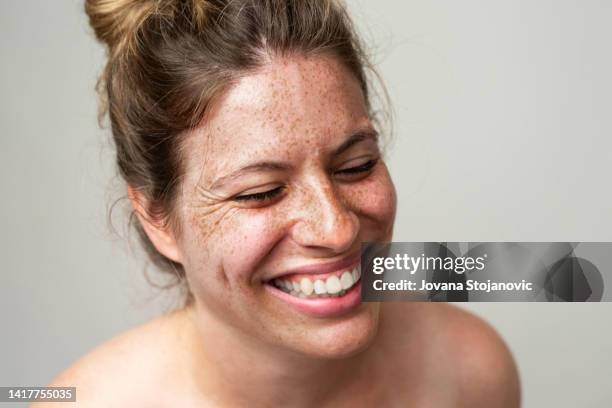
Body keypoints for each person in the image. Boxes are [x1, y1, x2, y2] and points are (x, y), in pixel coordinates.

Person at [38, 0, 520, 406]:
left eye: (356, 166)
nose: (337, 229)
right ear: (157, 219)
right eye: (261, 192)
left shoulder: (468, 371)